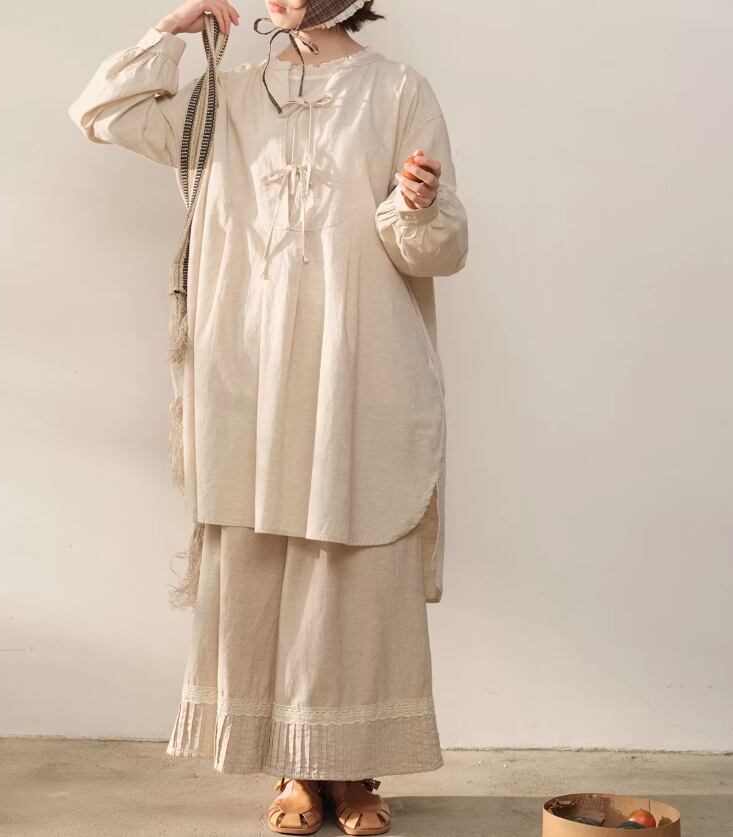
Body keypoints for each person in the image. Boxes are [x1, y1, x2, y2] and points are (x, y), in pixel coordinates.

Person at [68, 0, 468, 833]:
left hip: (356, 361)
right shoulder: (229, 94)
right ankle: (291, 769)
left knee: (353, 564)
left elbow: (433, 250)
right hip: (246, 362)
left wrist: (416, 204)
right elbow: (104, 113)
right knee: (258, 557)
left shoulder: (396, 90)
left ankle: (351, 772)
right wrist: (171, 33)